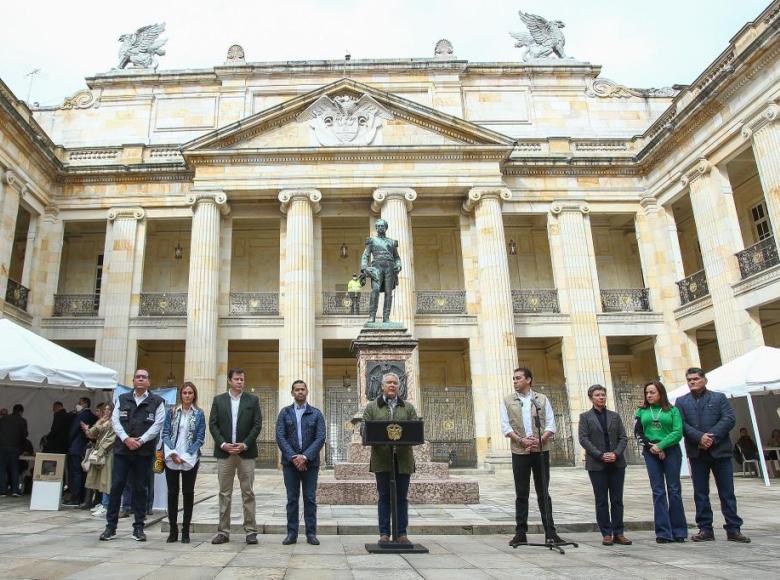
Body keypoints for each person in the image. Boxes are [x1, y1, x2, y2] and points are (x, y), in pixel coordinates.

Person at [676, 367, 750, 543]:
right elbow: (681, 424)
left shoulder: (719, 398)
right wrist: (699, 437)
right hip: (697, 452)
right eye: (689, 380)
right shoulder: (682, 401)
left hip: (720, 451)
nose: (692, 382)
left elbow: (728, 419)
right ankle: (705, 528)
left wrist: (711, 436)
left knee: (727, 491)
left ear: (704, 380)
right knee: (700, 492)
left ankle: (733, 528)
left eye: (695, 379)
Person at [100, 369, 165, 542]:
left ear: (149, 381)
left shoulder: (157, 402)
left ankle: (138, 527)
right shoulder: (122, 399)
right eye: (138, 377)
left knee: (140, 489)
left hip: (143, 452)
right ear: (133, 380)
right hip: (123, 451)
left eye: (144, 377)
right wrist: (126, 439)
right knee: (117, 487)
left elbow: (158, 425)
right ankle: (110, 527)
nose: (141, 379)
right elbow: (115, 421)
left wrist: (141, 440)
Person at [501, 367, 563, 547]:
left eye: (518, 378)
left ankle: (550, 532)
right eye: (513, 378)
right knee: (521, 493)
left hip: (541, 450)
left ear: (528, 380)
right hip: (519, 451)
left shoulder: (541, 400)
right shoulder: (507, 401)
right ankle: (520, 532)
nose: (515, 381)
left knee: (544, 492)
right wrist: (521, 440)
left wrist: (540, 439)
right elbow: (505, 427)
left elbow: (551, 424)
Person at [363, 372, 420, 544]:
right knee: (384, 496)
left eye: (395, 382)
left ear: (399, 386)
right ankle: (384, 533)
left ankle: (402, 533)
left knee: (402, 497)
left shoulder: (408, 407)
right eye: (388, 382)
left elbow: (415, 429)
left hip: (403, 459)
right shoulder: (372, 407)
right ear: (382, 386)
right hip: (382, 459)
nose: (392, 385)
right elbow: (364, 431)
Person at [209, 368, 262, 545]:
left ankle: (251, 531)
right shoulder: (219, 400)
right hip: (225, 453)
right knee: (225, 493)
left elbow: (257, 425)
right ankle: (223, 531)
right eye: (237, 379)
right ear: (229, 381)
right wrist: (223, 444)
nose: (240, 382)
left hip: (246, 453)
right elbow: (213, 424)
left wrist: (245, 444)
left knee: (248, 492)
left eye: (242, 379)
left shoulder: (252, 400)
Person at [578, 384, 631, 546]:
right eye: (597, 395)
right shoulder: (585, 417)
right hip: (597, 464)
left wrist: (615, 453)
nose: (601, 397)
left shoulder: (615, 416)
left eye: (602, 395)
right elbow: (584, 439)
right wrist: (600, 455)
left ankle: (619, 532)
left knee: (617, 500)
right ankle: (606, 533)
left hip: (616, 462)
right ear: (591, 398)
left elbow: (623, 437)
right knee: (601, 500)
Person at [634, 380, 687, 543]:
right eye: (647, 393)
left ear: (661, 393)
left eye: (652, 392)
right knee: (658, 491)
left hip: (671, 451)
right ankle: (663, 532)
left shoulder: (673, 410)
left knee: (674, 490)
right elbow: (638, 433)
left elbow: (678, 432)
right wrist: (653, 447)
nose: (649, 395)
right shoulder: (641, 411)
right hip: (651, 452)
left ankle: (678, 531)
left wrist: (661, 445)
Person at [276, 380, 326, 546]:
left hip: (310, 464)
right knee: (292, 499)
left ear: (307, 391)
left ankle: (311, 533)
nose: (300, 392)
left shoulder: (316, 414)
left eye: (302, 389)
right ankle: (292, 533)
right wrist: (294, 457)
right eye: (297, 390)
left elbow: (320, 438)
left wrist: (304, 457)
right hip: (290, 465)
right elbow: (280, 437)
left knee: (310, 498)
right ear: (292, 393)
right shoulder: (285, 413)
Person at [162, 381, 206, 544]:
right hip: (172, 456)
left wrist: (188, 455)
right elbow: (165, 433)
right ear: (181, 394)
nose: (187, 396)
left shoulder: (199, 414)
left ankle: (185, 530)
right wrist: (173, 453)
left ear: (194, 395)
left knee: (188, 493)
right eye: (185, 393)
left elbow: (200, 437)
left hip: (190, 458)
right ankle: (173, 530)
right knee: (172, 494)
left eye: (190, 393)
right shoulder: (172, 412)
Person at [361, 218, 401, 323]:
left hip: (390, 267)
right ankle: (372, 316)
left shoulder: (391, 242)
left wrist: (399, 265)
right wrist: (364, 267)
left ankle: (386, 317)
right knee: (375, 290)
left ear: (386, 228)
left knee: (388, 292)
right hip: (377, 267)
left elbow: (396, 257)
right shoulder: (372, 240)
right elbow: (365, 255)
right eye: (378, 226)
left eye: (382, 226)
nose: (380, 228)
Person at [84, 402, 115, 518]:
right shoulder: (103, 421)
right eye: (105, 409)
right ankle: (103, 503)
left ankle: (106, 505)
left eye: (109, 409)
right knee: (100, 479)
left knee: (106, 479)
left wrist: (101, 451)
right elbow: (91, 433)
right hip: (100, 453)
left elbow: (111, 439)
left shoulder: (114, 422)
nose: (107, 411)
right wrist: (98, 423)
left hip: (108, 454)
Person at [65, 397, 96, 507]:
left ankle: (75, 498)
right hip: (83, 448)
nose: (77, 404)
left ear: (85, 404)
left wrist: (70, 442)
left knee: (76, 473)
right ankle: (81, 497)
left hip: (76, 447)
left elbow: (73, 431)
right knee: (82, 474)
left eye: (80, 403)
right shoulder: (92, 415)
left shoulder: (82, 415)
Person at [79, 402, 106, 510]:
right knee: (92, 477)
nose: (96, 413)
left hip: (99, 453)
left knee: (96, 478)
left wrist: (87, 430)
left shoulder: (104, 422)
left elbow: (96, 436)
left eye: (98, 411)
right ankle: (92, 501)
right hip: (96, 452)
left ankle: (93, 501)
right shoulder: (99, 421)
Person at [0, 404, 28, 496]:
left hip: (2, 447)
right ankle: (15, 490)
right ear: (21, 412)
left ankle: (2, 491)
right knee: (14, 469)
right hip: (15, 447)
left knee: (2, 469)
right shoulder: (22, 421)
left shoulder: (3, 419)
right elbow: (24, 435)